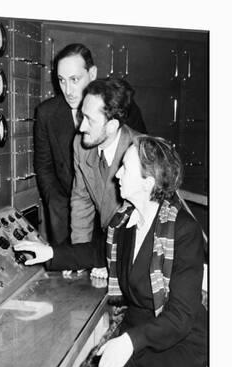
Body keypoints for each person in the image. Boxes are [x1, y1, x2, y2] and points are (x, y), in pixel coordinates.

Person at [15, 135, 207, 367]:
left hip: (175, 341)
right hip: (136, 327)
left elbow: (181, 317)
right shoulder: (125, 220)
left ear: (147, 183)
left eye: (125, 167)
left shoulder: (183, 231)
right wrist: (51, 253)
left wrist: (129, 342)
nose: (117, 174)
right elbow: (98, 252)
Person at [34, 43, 146, 246]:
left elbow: (141, 171)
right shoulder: (47, 114)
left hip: (119, 214)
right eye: (61, 80)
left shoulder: (121, 107)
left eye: (75, 80)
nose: (68, 90)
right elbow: (46, 170)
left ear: (92, 73)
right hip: (71, 215)